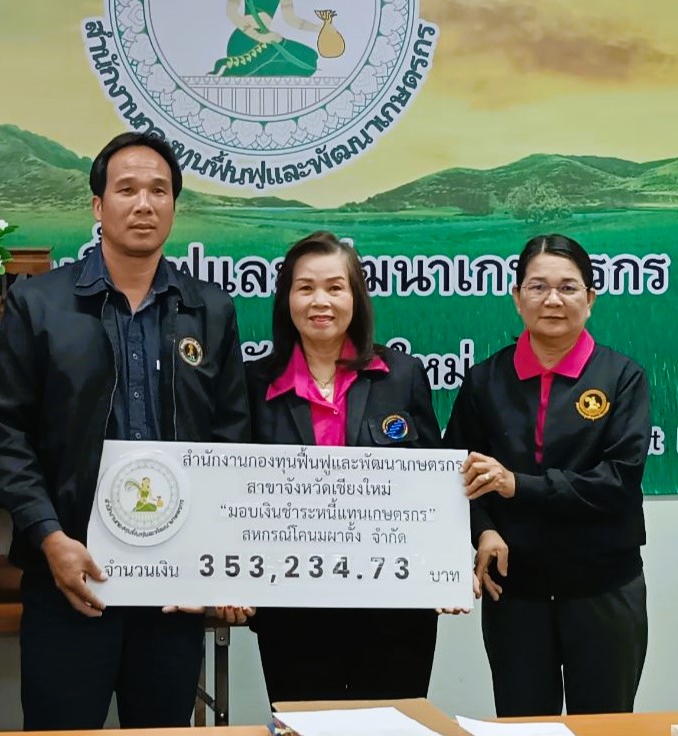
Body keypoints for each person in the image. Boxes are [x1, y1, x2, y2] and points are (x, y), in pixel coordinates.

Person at [0, 131, 251, 730]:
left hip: (173, 584)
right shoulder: (39, 304)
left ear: (174, 205)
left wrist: (213, 555)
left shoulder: (209, 308)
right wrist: (49, 537)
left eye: (159, 190)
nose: (144, 204)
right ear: (98, 205)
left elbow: (231, 437)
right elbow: (3, 429)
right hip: (69, 574)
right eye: (126, 190)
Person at [444, 234, 650, 717]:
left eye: (568, 287)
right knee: (523, 725)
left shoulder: (623, 378)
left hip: (603, 587)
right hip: (516, 592)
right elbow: (455, 473)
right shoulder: (484, 381)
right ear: (517, 297)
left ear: (590, 298)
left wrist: (518, 485)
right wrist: (483, 529)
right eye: (537, 287)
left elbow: (618, 482)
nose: (552, 300)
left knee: (604, 726)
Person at [245, 231, 439, 703]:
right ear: (286, 299)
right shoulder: (252, 384)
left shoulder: (403, 375)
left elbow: (433, 486)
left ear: (356, 297)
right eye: (305, 288)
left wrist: (444, 569)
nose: (321, 302)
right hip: (294, 612)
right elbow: (233, 494)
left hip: (395, 610)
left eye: (335, 287)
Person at [211, 0, 322, 77]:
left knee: (310, 58)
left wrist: (317, 28)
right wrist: (259, 36)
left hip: (267, 39)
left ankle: (255, 69)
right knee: (306, 65)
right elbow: (232, 13)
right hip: (245, 39)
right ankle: (240, 67)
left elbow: (291, 19)